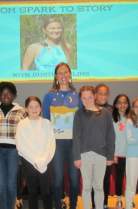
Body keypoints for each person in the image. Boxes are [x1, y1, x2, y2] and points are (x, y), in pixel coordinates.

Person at [42, 62, 81, 209]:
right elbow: (45, 121)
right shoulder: (49, 95)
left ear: (70, 74)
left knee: (74, 179)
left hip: (74, 143)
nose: (63, 75)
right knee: (57, 179)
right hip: (56, 143)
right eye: (60, 73)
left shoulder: (78, 94)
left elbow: (82, 120)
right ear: (56, 76)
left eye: (66, 72)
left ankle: (73, 206)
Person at [73, 85, 115, 209]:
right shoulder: (79, 114)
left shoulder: (105, 113)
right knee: (86, 186)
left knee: (98, 186)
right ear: (80, 99)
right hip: (84, 155)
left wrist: (110, 155)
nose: (87, 100)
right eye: (84, 98)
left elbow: (110, 135)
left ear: (95, 96)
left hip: (101, 155)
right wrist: (77, 157)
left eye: (90, 97)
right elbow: (76, 136)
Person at [16, 96, 56, 209]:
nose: (34, 109)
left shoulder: (47, 123)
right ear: (26, 109)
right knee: (32, 192)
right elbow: (22, 145)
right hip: (29, 162)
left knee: (46, 192)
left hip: (45, 162)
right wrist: (37, 160)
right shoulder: (22, 124)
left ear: (41, 108)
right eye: (31, 107)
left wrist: (43, 160)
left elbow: (51, 144)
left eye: (37, 106)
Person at [93, 83, 113, 209]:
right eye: (100, 93)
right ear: (95, 95)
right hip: (93, 150)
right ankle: (94, 205)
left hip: (106, 150)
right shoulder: (89, 108)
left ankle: (104, 204)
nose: (103, 96)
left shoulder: (111, 110)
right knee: (94, 181)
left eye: (105, 94)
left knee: (105, 179)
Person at [112, 94, 131, 209]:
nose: (122, 105)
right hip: (118, 154)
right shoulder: (113, 119)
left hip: (131, 154)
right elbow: (111, 138)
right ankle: (119, 200)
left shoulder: (132, 118)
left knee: (131, 178)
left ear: (128, 105)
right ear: (116, 105)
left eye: (125, 102)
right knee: (119, 177)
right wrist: (113, 154)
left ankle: (129, 199)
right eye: (120, 102)